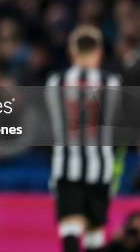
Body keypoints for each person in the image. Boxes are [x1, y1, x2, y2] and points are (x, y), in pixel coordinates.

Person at [45, 25, 121, 252]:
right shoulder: (112, 82)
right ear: (99, 52)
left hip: (66, 165)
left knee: (70, 225)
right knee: (95, 231)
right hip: (101, 166)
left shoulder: (56, 82)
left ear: (72, 52)